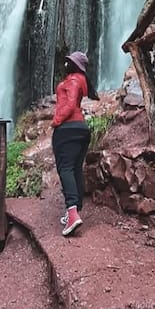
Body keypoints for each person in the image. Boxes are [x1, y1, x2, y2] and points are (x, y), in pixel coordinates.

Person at [51, 51, 99, 236]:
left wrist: (56, 121)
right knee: (75, 169)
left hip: (68, 129)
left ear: (74, 65)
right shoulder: (81, 80)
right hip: (81, 129)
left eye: (68, 62)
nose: (65, 64)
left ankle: (72, 212)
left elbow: (70, 105)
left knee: (66, 169)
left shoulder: (73, 80)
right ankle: (75, 209)